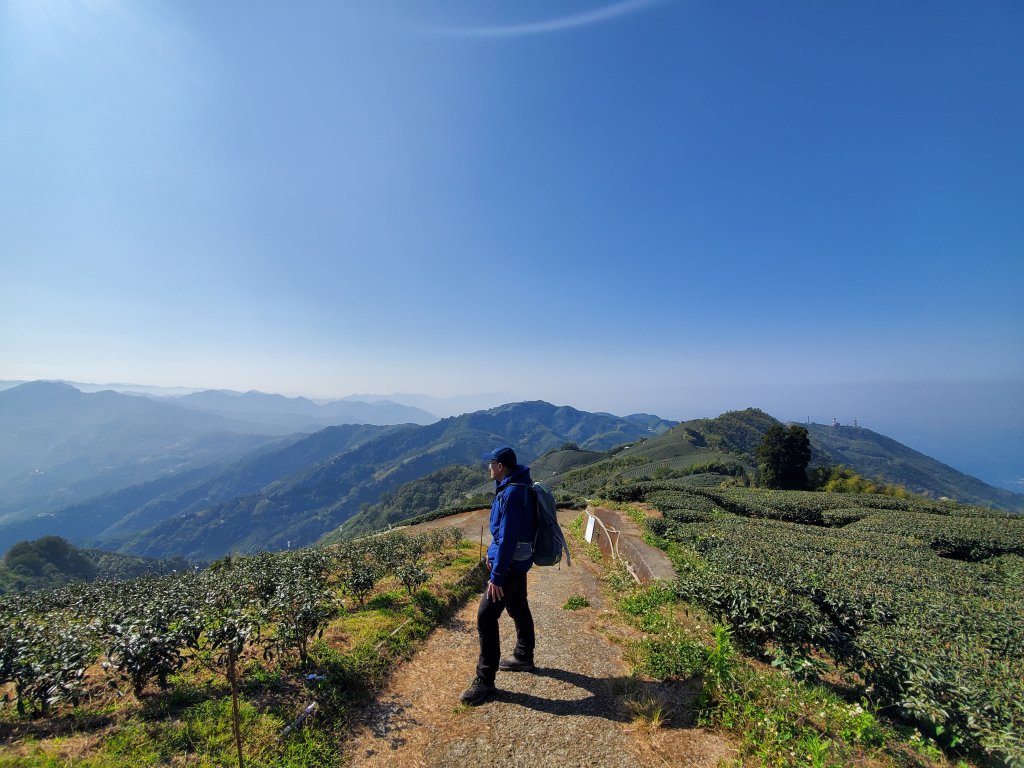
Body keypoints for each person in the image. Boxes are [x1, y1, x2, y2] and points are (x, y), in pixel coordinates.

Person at [460, 445, 538, 706]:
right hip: (517, 561)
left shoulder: (513, 493)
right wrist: (492, 552)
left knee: (485, 615)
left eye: (490, 464)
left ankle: (485, 681)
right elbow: (503, 535)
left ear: (500, 467)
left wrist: (497, 576)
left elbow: (508, 537)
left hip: (510, 566)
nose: (488, 468)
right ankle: (523, 656)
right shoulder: (513, 485)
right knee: (518, 605)